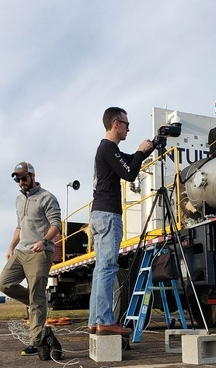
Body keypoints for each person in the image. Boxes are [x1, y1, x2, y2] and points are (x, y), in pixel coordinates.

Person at [89, 107, 154, 335]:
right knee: (108, 268)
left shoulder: (106, 149)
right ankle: (105, 321)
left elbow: (127, 162)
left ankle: (94, 321)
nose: (128, 128)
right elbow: (129, 173)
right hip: (108, 215)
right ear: (116, 123)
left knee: (101, 269)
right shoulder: (108, 147)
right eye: (127, 124)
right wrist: (139, 151)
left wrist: (144, 152)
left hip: (99, 214)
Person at [0, 162, 61, 355]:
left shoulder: (47, 197)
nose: (21, 181)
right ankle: (36, 302)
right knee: (4, 284)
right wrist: (11, 247)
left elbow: (56, 225)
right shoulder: (18, 200)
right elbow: (19, 226)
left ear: (33, 176)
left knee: (37, 297)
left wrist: (44, 241)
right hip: (21, 251)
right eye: (17, 179)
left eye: (24, 178)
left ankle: (36, 341)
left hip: (39, 252)